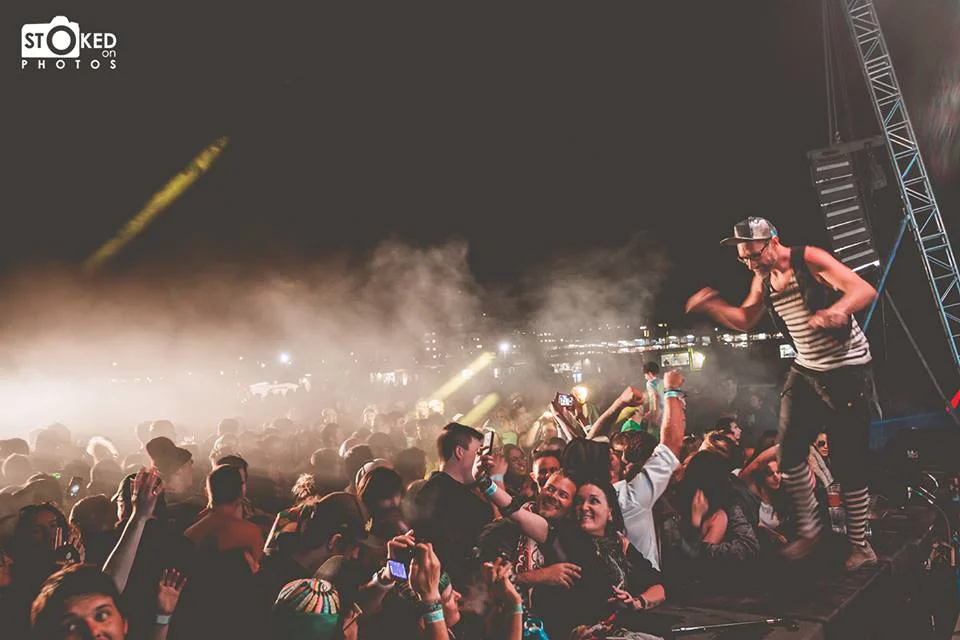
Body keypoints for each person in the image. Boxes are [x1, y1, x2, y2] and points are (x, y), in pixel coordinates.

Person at [686, 216, 878, 570]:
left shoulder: (809, 259)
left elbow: (863, 290)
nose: (751, 264)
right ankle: (810, 531)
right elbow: (746, 319)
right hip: (807, 369)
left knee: (849, 464)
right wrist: (713, 305)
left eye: (754, 255)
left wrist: (837, 309)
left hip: (847, 372)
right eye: (744, 259)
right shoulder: (763, 278)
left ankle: (861, 546)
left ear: (774, 242)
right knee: (788, 452)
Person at [476, 467, 665, 638]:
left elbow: (660, 587)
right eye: (580, 502)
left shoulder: (619, 543)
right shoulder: (563, 536)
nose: (584, 507)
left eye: (594, 501)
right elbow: (516, 512)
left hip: (623, 630)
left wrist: (638, 602)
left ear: (610, 512)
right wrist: (485, 483)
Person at [586, 369, 686, 570]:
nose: (609, 453)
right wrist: (671, 390)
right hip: (643, 584)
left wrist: (620, 403)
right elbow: (672, 443)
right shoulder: (630, 499)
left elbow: (590, 444)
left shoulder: (589, 495)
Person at [410, 423, 495, 589]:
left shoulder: (436, 488)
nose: (482, 459)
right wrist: (495, 479)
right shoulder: (451, 495)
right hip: (459, 590)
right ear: (459, 452)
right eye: (478, 453)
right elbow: (497, 532)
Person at [184, 464, 264, 570]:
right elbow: (258, 570)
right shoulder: (250, 532)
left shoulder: (191, 529)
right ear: (240, 493)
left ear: (208, 492)